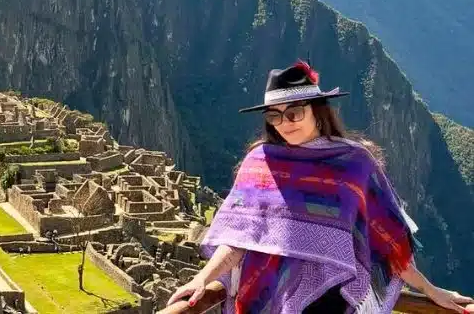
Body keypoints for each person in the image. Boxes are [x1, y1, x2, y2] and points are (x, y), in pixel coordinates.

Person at [167, 60, 474, 313]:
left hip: (329, 298)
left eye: (294, 113)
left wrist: (431, 290)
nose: (285, 123)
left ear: (317, 109)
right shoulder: (258, 163)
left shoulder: (355, 163)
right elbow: (238, 240)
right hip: (262, 291)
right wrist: (202, 279)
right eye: (274, 116)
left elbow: (384, 238)